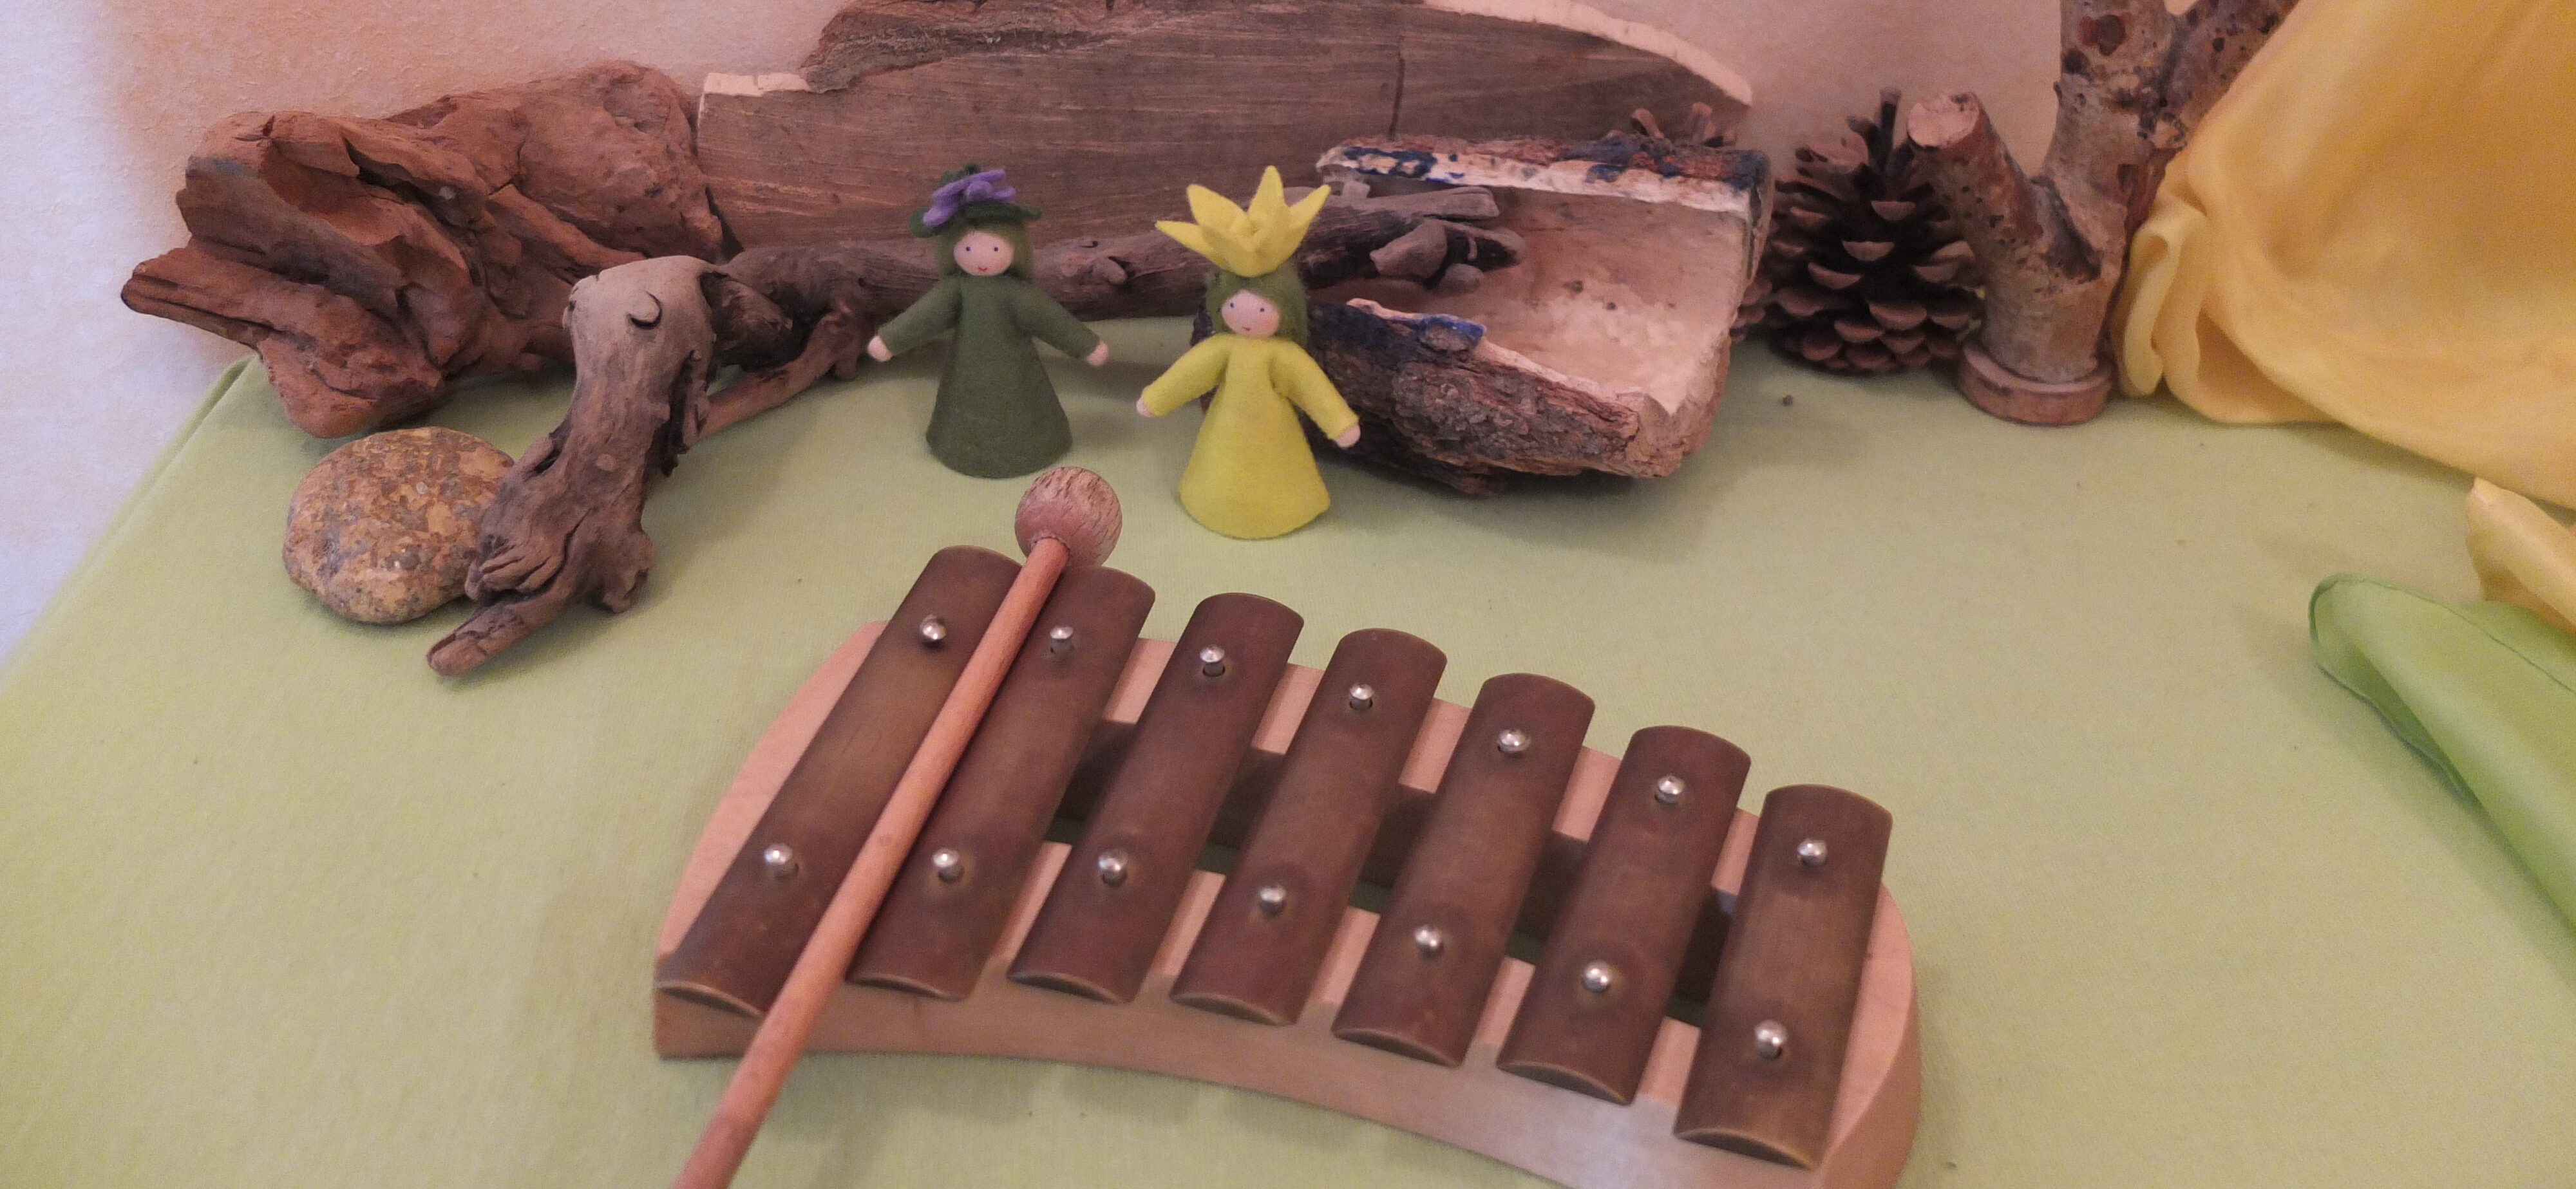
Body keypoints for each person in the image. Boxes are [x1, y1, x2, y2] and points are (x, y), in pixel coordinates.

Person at [868, 165, 1110, 478]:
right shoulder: (957, 291)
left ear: (1014, 248)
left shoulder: (1017, 294)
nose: (981, 259)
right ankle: (967, 447)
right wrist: (891, 340)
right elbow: (925, 316)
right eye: (968, 248)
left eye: (995, 248)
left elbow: (1051, 321)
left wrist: (1086, 346)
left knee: (1019, 401)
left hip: (1019, 381)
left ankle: (1030, 445)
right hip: (964, 387)